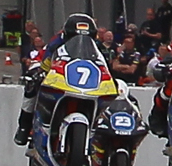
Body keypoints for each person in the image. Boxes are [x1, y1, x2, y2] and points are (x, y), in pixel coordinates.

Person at [16, 12, 106, 144]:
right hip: (61, 76)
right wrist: (43, 72)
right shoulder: (57, 41)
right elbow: (47, 57)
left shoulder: (97, 46)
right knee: (32, 83)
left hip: (88, 83)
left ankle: (101, 138)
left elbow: (105, 62)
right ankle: (24, 126)